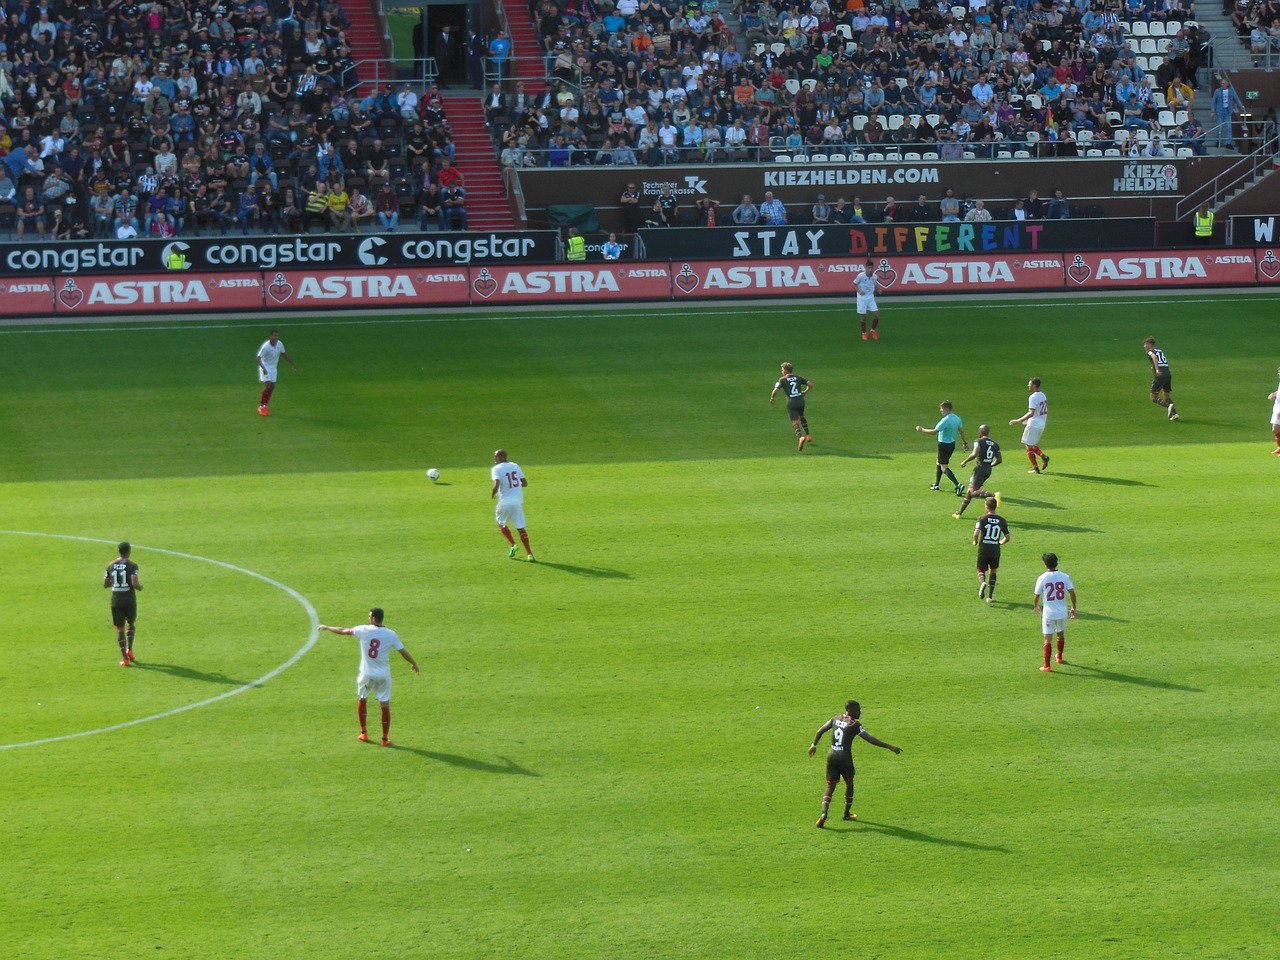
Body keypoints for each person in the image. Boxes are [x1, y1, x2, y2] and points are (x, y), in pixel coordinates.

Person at [319, 608, 419, 746]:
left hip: (367, 674)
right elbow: (403, 651)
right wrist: (414, 663)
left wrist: (327, 627)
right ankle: (384, 739)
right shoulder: (391, 634)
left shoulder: (363, 630)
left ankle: (364, 733)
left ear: (373, 618)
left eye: (369, 616)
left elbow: (343, 630)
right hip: (384, 675)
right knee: (384, 705)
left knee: (362, 699)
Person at [807, 699, 902, 828]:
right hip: (844, 758)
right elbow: (869, 739)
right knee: (849, 784)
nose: (860, 712)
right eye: (857, 710)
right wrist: (889, 746)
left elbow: (820, 731)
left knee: (830, 787)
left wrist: (813, 745)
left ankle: (824, 813)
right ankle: (846, 813)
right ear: (850, 710)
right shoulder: (854, 725)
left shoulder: (835, 718)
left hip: (831, 756)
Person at [1033, 553, 1077, 671]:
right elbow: (1072, 592)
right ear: (1056, 562)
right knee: (1061, 634)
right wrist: (1073, 607)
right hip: (1062, 612)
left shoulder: (1042, 578)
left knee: (1047, 638)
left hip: (1049, 614)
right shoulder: (1064, 576)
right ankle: (1059, 657)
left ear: (1045, 564)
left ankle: (1047, 665)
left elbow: (1036, 595)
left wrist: (1036, 606)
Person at [915, 400, 968, 494]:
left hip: (943, 445)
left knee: (944, 467)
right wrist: (965, 443)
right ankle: (936, 484)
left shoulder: (945, 420)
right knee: (939, 462)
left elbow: (934, 432)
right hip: (952, 444)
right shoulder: (957, 418)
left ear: (947, 409)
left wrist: (922, 429)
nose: (941, 410)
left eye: (942, 409)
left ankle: (958, 485)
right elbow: (961, 431)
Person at [104, 541, 143, 666]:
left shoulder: (110, 565)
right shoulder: (132, 565)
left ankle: (125, 658)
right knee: (131, 623)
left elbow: (105, 583)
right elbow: (134, 582)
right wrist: (140, 587)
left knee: (120, 629)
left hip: (116, 600)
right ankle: (130, 650)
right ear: (129, 551)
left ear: (119, 551)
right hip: (129, 599)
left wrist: (115, 583)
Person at [492, 449, 535, 561]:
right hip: (517, 502)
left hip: (505, 502)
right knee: (521, 528)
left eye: (496, 456)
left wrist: (493, 493)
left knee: (501, 523)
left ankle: (513, 544)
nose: (494, 458)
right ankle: (530, 554)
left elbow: (496, 483)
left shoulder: (496, 469)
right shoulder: (515, 466)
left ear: (501, 457)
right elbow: (525, 483)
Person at [953, 425, 1001, 519]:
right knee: (969, 492)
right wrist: (990, 465)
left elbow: (975, 453)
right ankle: (959, 513)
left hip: (979, 469)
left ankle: (993, 495)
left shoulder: (978, 441)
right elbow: (999, 460)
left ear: (980, 432)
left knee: (972, 492)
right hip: (988, 470)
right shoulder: (995, 444)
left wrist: (965, 461)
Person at [769, 362, 813, 452]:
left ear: (785, 370)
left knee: (794, 422)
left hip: (791, 402)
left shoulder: (782, 379)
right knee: (801, 416)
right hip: (801, 401)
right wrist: (805, 392)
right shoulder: (798, 377)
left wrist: (772, 398)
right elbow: (811, 385)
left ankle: (801, 437)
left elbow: (775, 390)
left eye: (782, 370)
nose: (781, 371)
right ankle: (808, 435)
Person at [972, 497, 1010, 603]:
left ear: (986, 506)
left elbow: (976, 533)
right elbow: (1008, 537)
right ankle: (989, 596)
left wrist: (975, 542)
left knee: (980, 570)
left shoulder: (982, 518)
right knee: (993, 571)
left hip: (984, 548)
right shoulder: (1002, 520)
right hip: (995, 549)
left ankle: (983, 582)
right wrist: (1000, 542)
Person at [1010, 377, 1049, 473]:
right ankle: (1043, 457)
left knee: (1028, 446)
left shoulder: (1032, 397)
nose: (1028, 385)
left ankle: (1036, 467)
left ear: (1034, 385)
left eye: (1030, 384)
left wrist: (1018, 420)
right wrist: (1028, 419)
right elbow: (1038, 411)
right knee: (1031, 444)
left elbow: (1031, 412)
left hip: (1034, 424)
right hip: (1041, 424)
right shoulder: (1042, 395)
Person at [256, 329, 298, 416]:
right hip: (265, 367)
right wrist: (263, 368)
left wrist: (292, 364)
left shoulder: (279, 344)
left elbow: (284, 354)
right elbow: (258, 358)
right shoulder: (266, 347)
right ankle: (261, 406)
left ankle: (265, 405)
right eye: (274, 336)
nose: (276, 337)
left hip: (273, 368)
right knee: (268, 385)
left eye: (277, 336)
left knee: (272, 386)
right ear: (270, 337)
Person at [1143, 337, 1178, 420]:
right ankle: (1174, 414)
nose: (1144, 346)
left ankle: (1168, 406)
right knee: (1166, 396)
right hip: (1167, 374)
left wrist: (1157, 369)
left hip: (1160, 375)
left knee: (1153, 398)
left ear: (1149, 344)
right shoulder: (1160, 351)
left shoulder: (1150, 352)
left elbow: (1154, 357)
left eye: (1145, 344)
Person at [853, 258, 881, 341]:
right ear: (866, 268)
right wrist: (859, 291)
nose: (870, 269)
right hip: (862, 299)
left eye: (871, 268)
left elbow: (874, 284)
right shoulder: (861, 276)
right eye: (869, 268)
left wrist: (878, 289)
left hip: (870, 298)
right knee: (864, 317)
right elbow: (854, 284)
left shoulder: (875, 276)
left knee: (876, 315)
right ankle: (864, 333)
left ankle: (872, 330)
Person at [1268, 366, 1280, 455]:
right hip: (1277, 407)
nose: (1278, 373)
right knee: (1275, 429)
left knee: (1276, 427)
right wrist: (1274, 394)